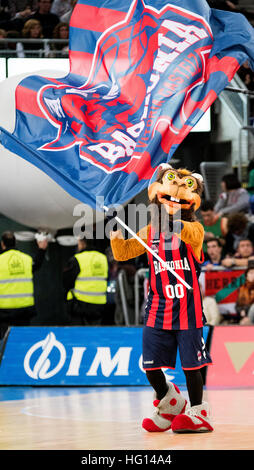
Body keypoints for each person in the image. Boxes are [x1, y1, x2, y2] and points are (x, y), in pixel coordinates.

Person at [110, 164, 213, 433]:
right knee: (151, 366)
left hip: (188, 309)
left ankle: (198, 411)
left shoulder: (196, 231)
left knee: (192, 366)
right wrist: (116, 231)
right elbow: (123, 254)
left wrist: (172, 220)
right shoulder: (148, 231)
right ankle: (170, 401)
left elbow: (188, 233)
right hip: (157, 307)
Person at [0, 230, 48, 338]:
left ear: (2, 244)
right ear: (16, 242)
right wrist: (42, 249)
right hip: (24, 312)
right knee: (22, 341)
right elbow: (37, 263)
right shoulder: (26, 260)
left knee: (5, 344)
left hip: (4, 313)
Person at [63, 237, 108, 325]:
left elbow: (66, 281)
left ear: (82, 243)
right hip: (100, 304)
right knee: (94, 334)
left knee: (78, 335)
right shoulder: (103, 258)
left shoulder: (77, 259)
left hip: (80, 306)